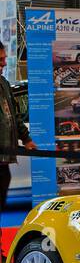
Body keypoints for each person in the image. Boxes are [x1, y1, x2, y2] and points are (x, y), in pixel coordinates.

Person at [0, 40, 36, 218]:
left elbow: (14, 116)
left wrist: (27, 139)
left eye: (4, 59)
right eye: (0, 59)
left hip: (3, 159)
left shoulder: (4, 84)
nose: (4, 63)